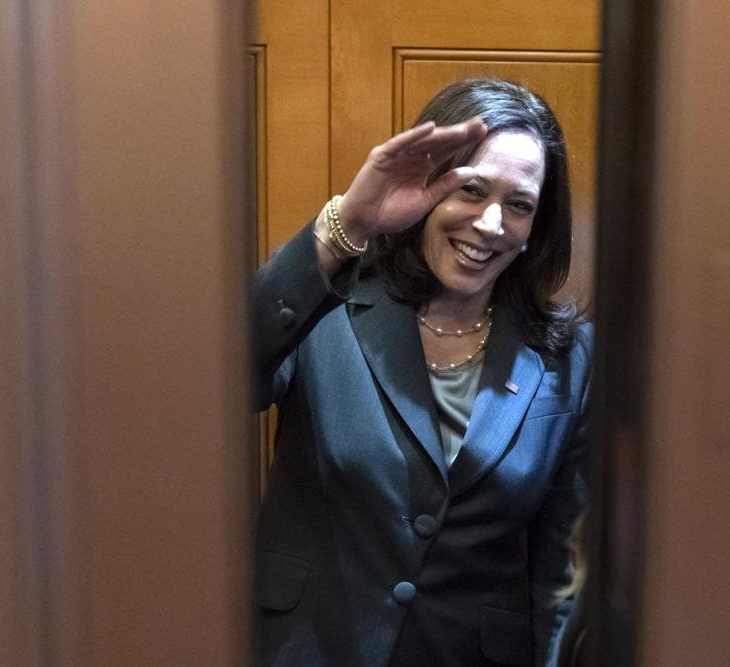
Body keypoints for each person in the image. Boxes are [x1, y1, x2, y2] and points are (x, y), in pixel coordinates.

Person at [251, 77, 592, 666]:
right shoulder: (326, 302)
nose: (490, 224)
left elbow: (562, 568)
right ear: (425, 188)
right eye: (471, 190)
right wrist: (346, 227)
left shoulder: (568, 356)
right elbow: (211, 377)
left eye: (518, 205)